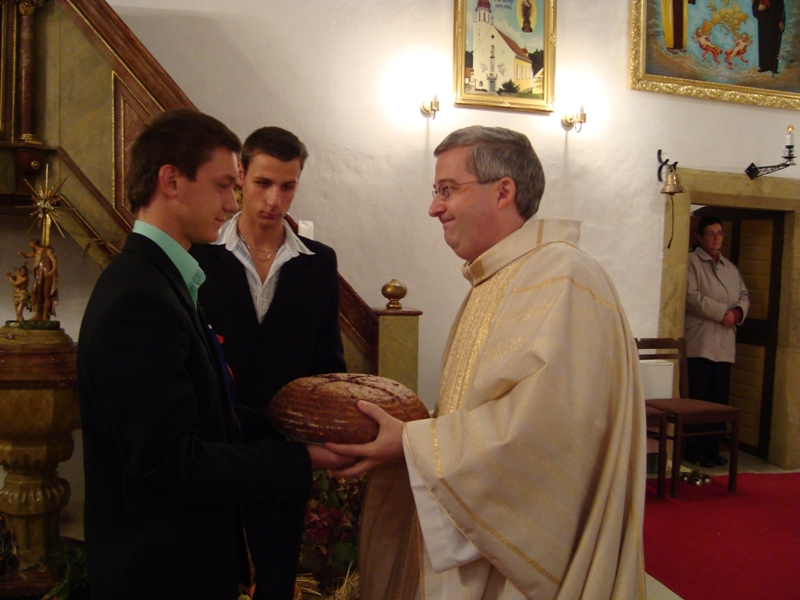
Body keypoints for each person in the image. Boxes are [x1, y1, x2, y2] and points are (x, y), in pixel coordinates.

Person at [328, 126, 647, 599]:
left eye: (447, 189)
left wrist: (413, 445)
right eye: (435, 191)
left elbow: (547, 433)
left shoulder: (563, 276)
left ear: (503, 192)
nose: (434, 207)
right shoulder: (497, 277)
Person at [77, 109, 351, 600]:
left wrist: (321, 433)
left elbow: (210, 414)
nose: (232, 202)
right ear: (170, 181)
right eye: (226, 185)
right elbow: (171, 464)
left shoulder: (159, 279)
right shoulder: (140, 297)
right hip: (159, 569)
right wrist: (302, 458)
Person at [190, 126, 346, 599]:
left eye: (287, 186)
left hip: (283, 447)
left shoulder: (318, 262)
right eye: (263, 183)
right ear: (240, 175)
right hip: (217, 445)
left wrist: (325, 433)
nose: (274, 200)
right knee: (213, 572)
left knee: (277, 577)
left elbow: (328, 361)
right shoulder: (200, 254)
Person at [683, 215, 749, 468]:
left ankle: (712, 447)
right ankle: (693, 448)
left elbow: (743, 294)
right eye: (710, 233)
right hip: (701, 341)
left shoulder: (729, 267)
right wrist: (722, 312)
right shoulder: (691, 262)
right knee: (698, 399)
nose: (716, 238)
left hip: (724, 343)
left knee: (718, 399)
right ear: (700, 237)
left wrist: (737, 313)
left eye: (719, 233)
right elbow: (691, 297)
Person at [18, 239, 58, 320]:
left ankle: (45, 314)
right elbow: (27, 255)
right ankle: (37, 314)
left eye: (31, 244)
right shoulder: (36, 253)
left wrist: (52, 271)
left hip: (47, 275)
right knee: (35, 293)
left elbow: (54, 261)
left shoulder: (47, 251)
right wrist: (22, 253)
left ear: (34, 243)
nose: (30, 246)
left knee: (46, 294)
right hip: (38, 276)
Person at [752, 0, 785, 74]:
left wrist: (782, 21)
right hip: (763, 23)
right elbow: (755, 8)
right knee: (764, 44)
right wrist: (758, 9)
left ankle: (773, 67)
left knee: (774, 44)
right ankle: (764, 66)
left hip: (775, 23)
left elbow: (782, 9)